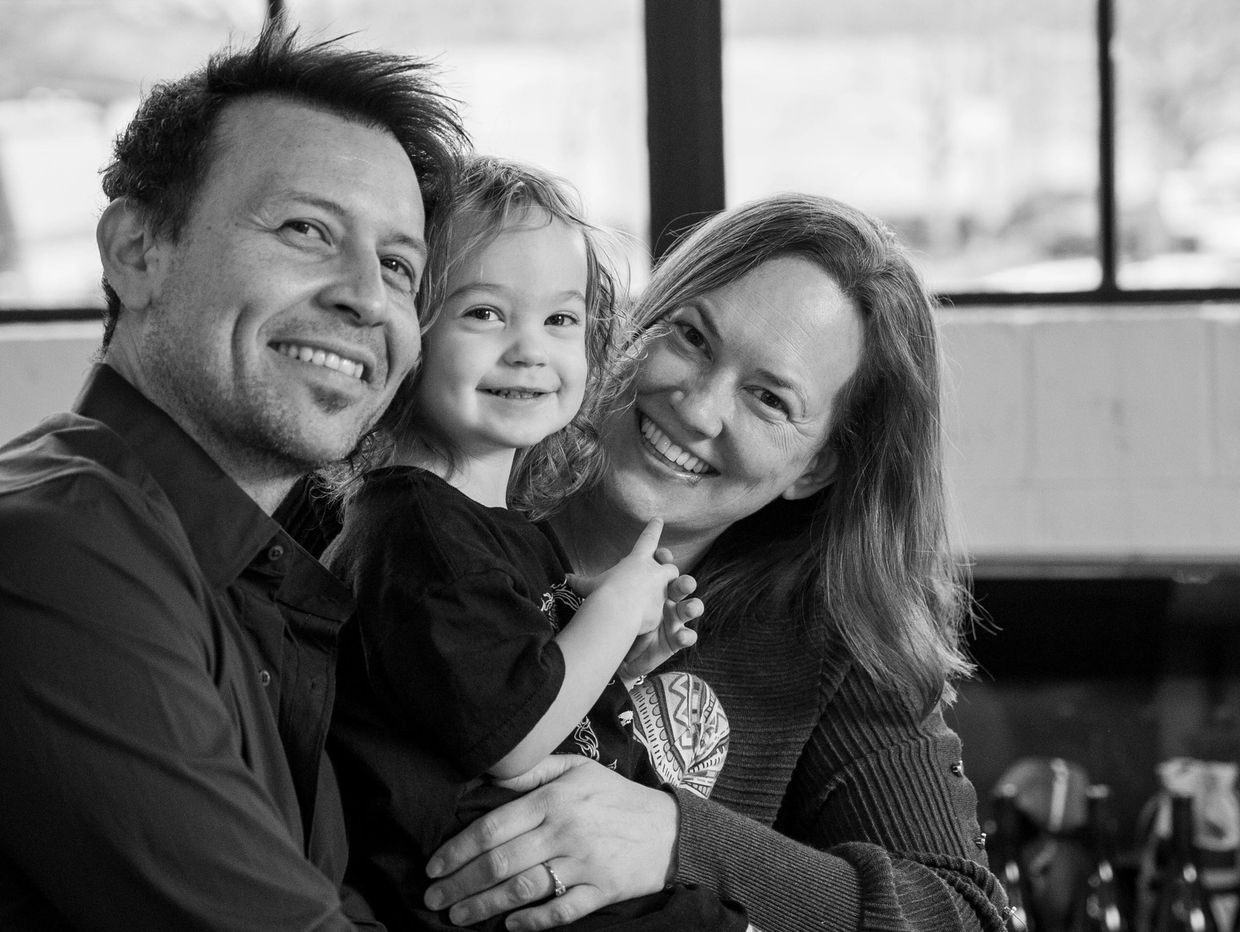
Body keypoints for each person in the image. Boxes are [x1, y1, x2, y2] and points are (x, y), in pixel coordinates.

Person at [418, 193, 1012, 932]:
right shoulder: (422, 516)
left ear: (817, 467)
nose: (698, 408)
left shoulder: (833, 646)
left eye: (768, 398)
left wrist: (678, 839)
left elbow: (962, 916)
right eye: (693, 338)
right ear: (640, 322)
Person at [0, 22, 467, 929]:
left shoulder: (268, 574)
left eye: (399, 266)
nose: (368, 298)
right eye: (306, 229)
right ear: (137, 252)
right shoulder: (54, 547)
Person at [322, 155, 744, 930]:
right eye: (484, 313)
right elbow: (514, 738)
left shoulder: (486, 529)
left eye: (561, 319)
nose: (529, 349)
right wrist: (612, 612)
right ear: (406, 325)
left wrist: (616, 654)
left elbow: (514, 693)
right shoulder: (419, 534)